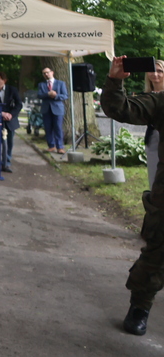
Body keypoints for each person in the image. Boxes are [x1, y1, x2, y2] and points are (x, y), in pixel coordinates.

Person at [99, 55, 164, 336]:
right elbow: (118, 107)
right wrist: (114, 80)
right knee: (157, 255)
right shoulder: (161, 101)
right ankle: (140, 305)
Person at [0, 71, 23, 173]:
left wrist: (11, 114)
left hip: (9, 120)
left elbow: (19, 104)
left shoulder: (12, 90)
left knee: (9, 142)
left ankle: (6, 163)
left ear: (4, 80)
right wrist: (1, 113)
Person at [143, 59, 164, 187]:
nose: (155, 74)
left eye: (160, 71)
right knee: (154, 173)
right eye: (152, 70)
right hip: (152, 136)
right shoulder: (146, 96)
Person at [39, 66, 68, 154]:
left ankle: (60, 147)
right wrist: (48, 94)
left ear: (52, 72)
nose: (46, 74)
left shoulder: (60, 83)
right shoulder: (41, 84)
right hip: (46, 109)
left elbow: (65, 95)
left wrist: (56, 96)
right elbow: (39, 95)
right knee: (48, 128)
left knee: (58, 128)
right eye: (44, 73)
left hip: (58, 109)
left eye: (47, 72)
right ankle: (51, 146)